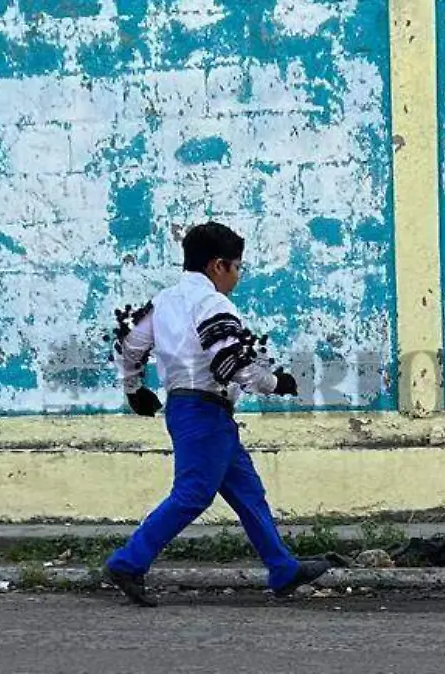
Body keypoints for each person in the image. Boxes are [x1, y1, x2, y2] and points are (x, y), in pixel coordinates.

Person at [102, 220, 331, 607]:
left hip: (189, 408)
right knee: (192, 493)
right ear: (217, 265)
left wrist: (134, 389)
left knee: (248, 492)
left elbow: (130, 345)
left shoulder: (164, 301)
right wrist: (278, 383)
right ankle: (128, 561)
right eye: (237, 267)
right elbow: (229, 361)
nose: (237, 276)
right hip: (204, 410)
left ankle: (282, 568)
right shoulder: (212, 302)